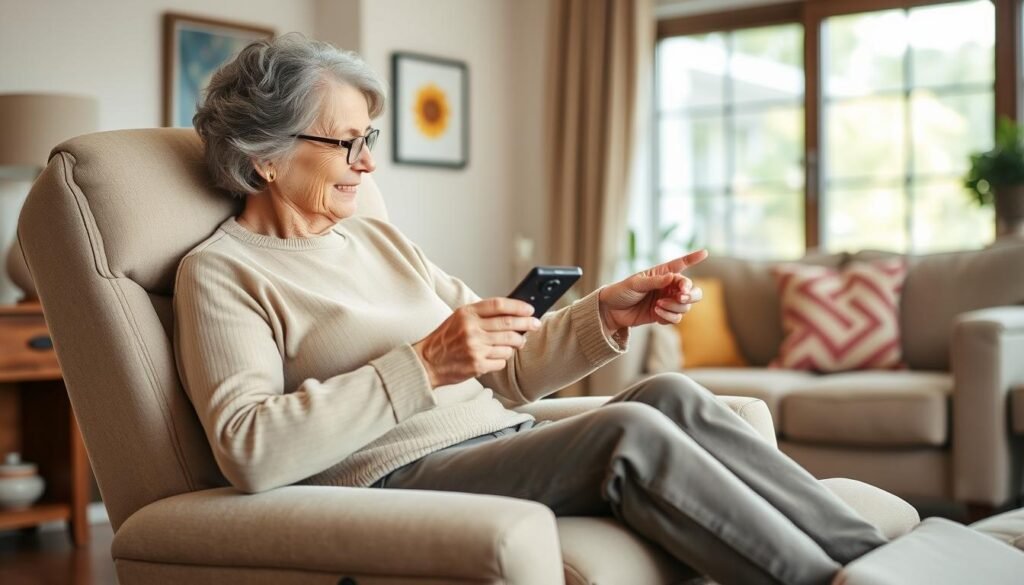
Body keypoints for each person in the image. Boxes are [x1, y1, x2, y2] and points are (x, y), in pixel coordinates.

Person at [174, 33, 886, 585]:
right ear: (265, 158)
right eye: (348, 142)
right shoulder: (221, 271)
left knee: (669, 391)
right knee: (624, 433)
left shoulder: (375, 239)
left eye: (372, 140)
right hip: (396, 477)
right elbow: (250, 448)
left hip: (494, 437)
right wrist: (422, 363)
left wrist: (607, 314)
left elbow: (507, 370)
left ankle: (877, 558)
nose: (368, 163)